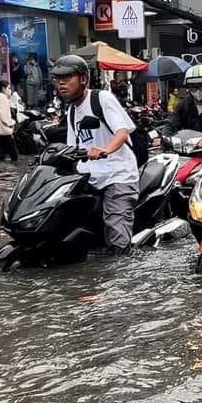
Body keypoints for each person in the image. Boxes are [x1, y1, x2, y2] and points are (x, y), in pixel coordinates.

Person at [52, 54, 139, 254]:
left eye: (67, 77)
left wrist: (105, 149)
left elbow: (122, 132)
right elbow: (71, 149)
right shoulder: (72, 111)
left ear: (84, 79)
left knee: (116, 236)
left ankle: (123, 256)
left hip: (117, 176)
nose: (61, 83)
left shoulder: (101, 99)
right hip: (90, 179)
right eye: (58, 79)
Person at [0, 80, 18, 161]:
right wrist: (11, 123)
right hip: (5, 130)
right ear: (3, 89)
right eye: (9, 88)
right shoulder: (3, 99)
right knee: (14, 155)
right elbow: (4, 116)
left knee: (1, 154)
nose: (10, 90)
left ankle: (1, 168)